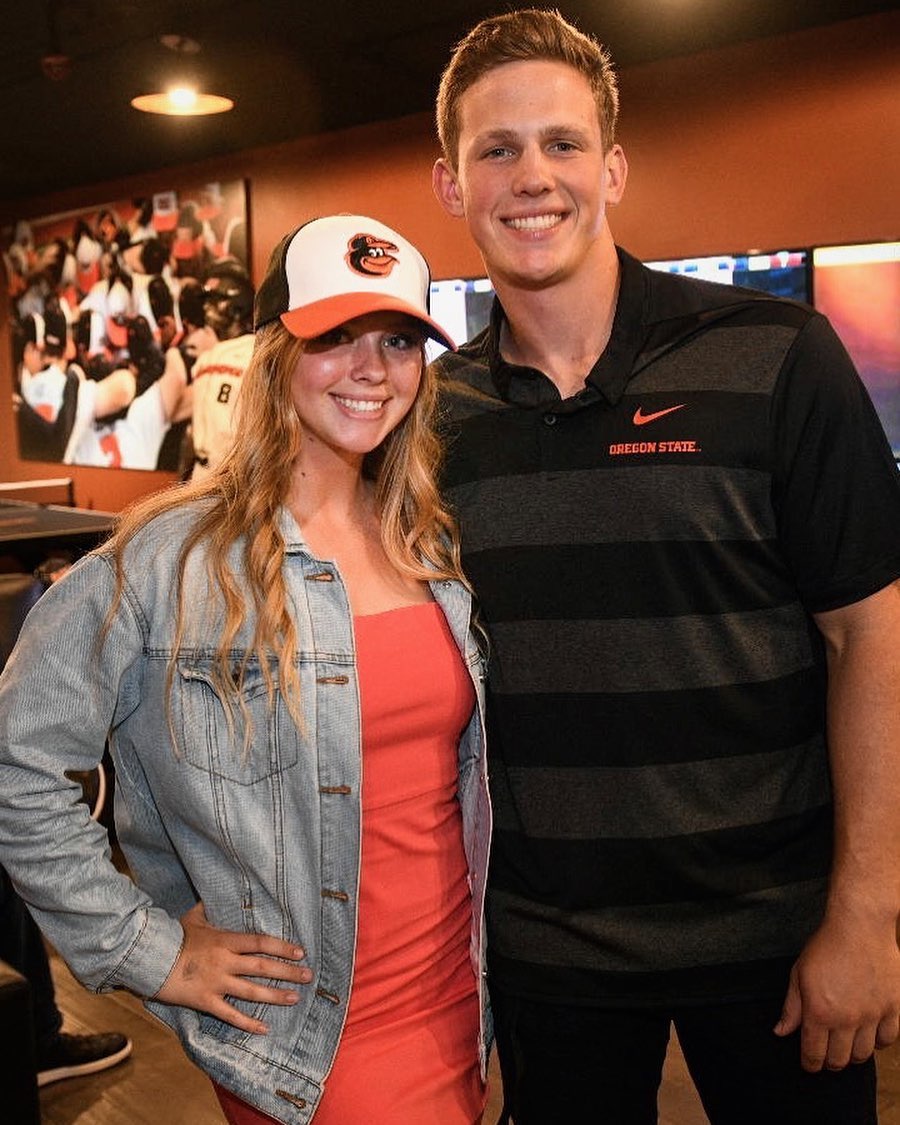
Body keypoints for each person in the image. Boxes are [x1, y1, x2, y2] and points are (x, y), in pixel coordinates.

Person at [430, 9, 900, 1124]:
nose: (530, 176)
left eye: (562, 143)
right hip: (549, 954)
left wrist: (869, 912)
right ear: (451, 184)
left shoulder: (779, 354)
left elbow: (872, 636)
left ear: (614, 168)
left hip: (777, 940)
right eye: (495, 149)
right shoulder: (430, 417)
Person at [0, 214, 491, 1125]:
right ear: (275, 354)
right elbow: (13, 767)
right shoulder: (165, 560)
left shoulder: (429, 541)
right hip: (315, 1037)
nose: (371, 369)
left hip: (468, 1001)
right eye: (333, 338)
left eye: (396, 340)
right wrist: (150, 948)